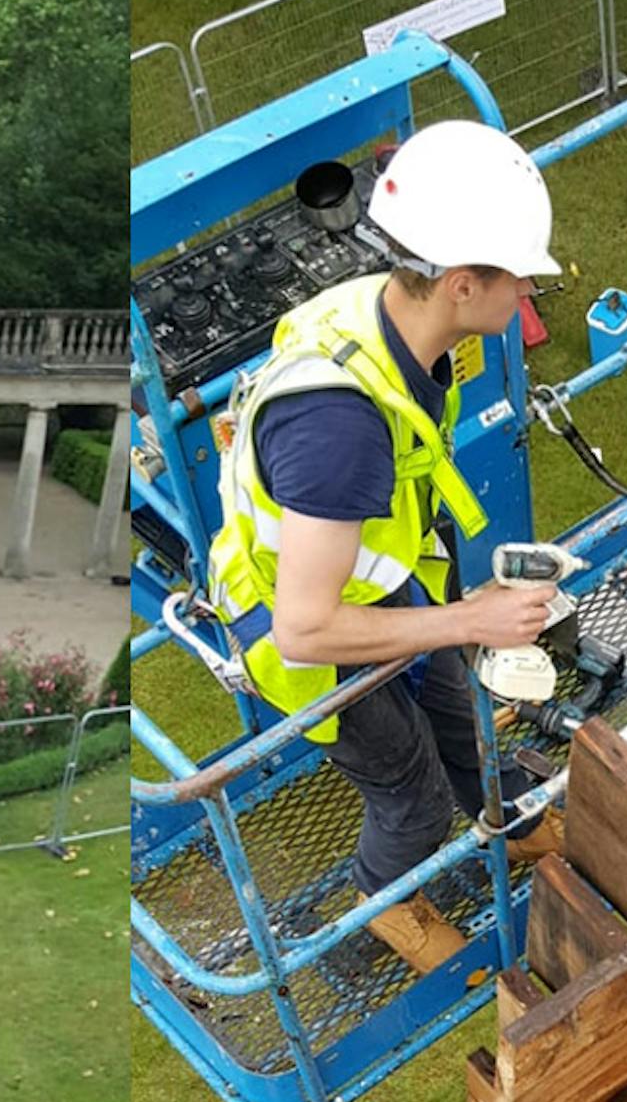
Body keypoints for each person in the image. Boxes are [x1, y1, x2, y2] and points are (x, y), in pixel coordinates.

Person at [205, 121, 569, 918]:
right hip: (297, 639)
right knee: (411, 794)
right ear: (462, 284)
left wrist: (452, 619)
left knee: (459, 716)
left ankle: (502, 816)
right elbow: (304, 630)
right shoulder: (339, 428)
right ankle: (382, 914)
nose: (530, 294)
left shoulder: (389, 319)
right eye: (521, 277)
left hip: (372, 588)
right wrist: (468, 618)